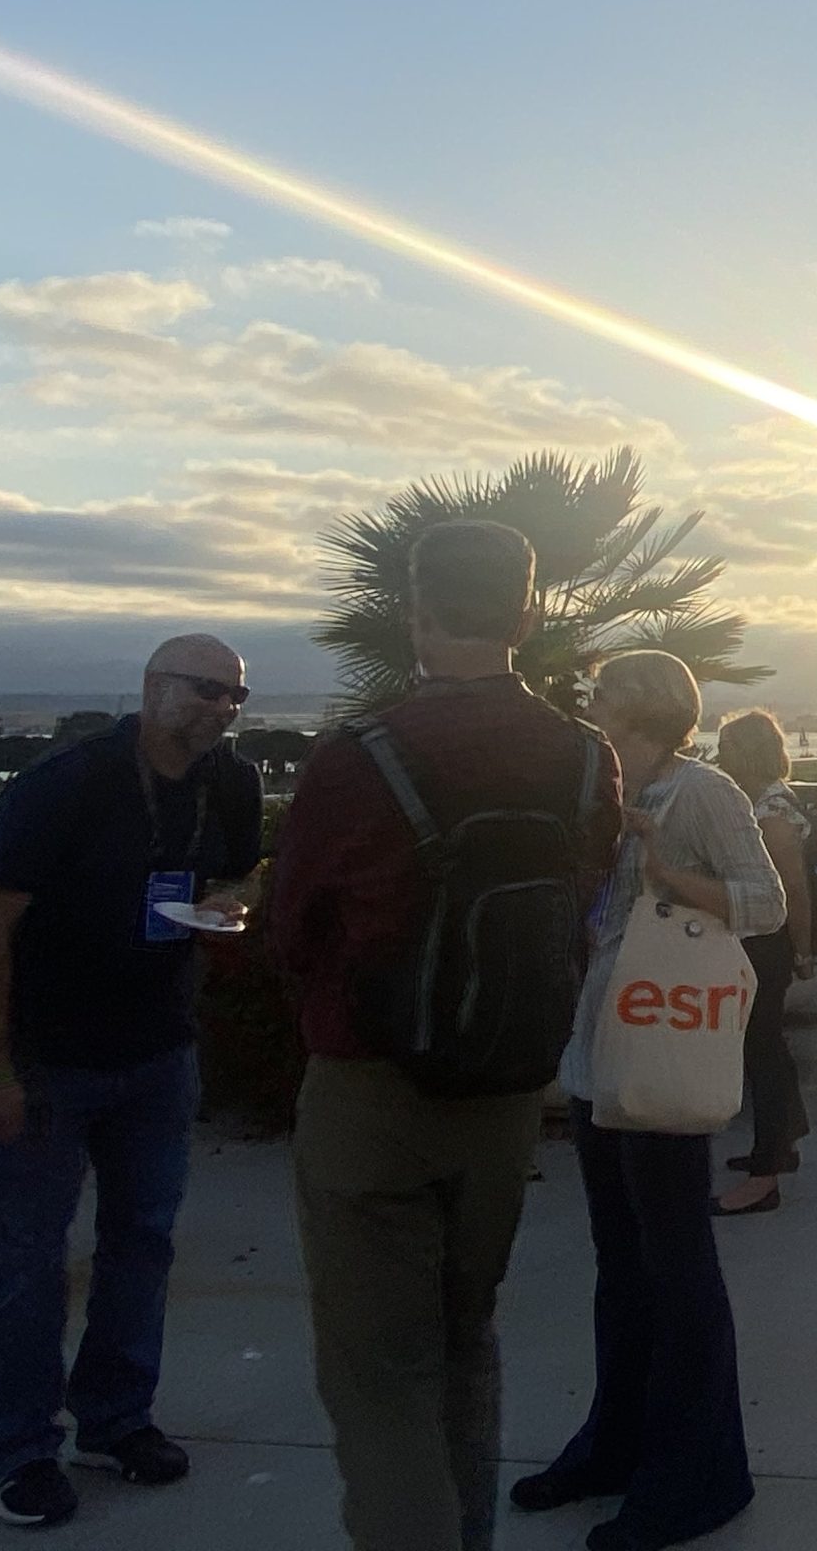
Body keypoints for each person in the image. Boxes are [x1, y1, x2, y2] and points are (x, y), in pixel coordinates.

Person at [273, 523, 622, 1551]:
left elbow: (293, 929)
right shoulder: (582, 754)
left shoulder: (357, 756)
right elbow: (583, 899)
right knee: (466, 1343)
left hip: (370, 1092)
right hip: (506, 1094)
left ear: (415, 614)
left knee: (381, 1382)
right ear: (527, 614)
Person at [0, 636, 263, 1528]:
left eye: (237, 696)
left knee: (143, 1245)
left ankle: (116, 1420)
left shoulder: (229, 783)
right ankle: (16, 1452)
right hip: (47, 1062)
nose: (222, 708)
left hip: (158, 1054)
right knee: (24, 1267)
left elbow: (243, 870)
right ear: (153, 686)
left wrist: (230, 903)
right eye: (206, 690)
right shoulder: (68, 782)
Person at [517, 649, 784, 1549]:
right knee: (621, 1262)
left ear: (643, 714)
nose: (593, 715)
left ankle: (700, 1472)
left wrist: (664, 871)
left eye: (604, 705)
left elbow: (765, 901)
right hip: (603, 1051)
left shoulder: (702, 793)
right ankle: (615, 1443)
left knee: (677, 1265)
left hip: (662, 1052)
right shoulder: (604, 789)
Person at [712, 709, 817, 1213]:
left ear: (749, 751)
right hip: (758, 940)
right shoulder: (756, 800)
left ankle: (766, 1172)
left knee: (761, 1052)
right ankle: (786, 1136)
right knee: (766, 1044)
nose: (719, 753)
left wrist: (803, 949)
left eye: (728, 745)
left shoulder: (771, 810)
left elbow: (791, 887)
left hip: (767, 942)